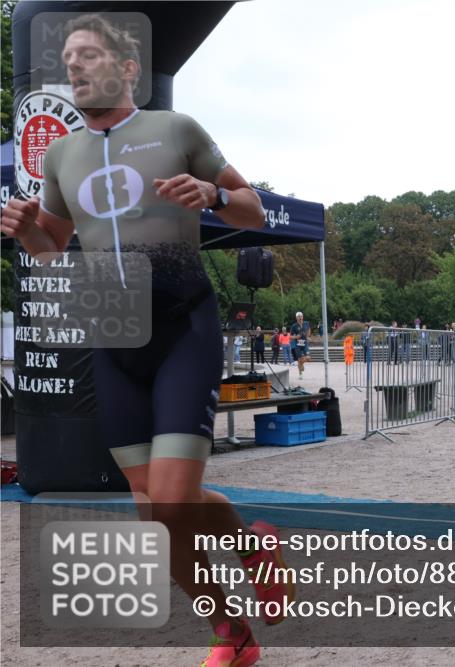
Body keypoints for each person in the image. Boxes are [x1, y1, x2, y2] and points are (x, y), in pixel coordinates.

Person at [0, 14, 291, 665]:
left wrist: (214, 191)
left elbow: (254, 207)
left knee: (170, 495)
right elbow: (50, 250)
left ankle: (246, 569)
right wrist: (24, 230)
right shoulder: (61, 154)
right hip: (113, 337)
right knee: (155, 511)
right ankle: (234, 624)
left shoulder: (174, 130)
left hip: (182, 326)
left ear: (128, 68)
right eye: (68, 58)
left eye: (88, 56)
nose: (73, 67)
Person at [290, 311, 311, 380]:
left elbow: (308, 330)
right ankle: (300, 374)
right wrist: (296, 337)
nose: (300, 318)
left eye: (301, 316)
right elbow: (290, 336)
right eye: (298, 316)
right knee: (299, 359)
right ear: (296, 318)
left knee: (308, 358)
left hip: (305, 343)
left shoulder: (306, 323)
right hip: (297, 344)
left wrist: (308, 336)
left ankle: (302, 364)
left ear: (303, 317)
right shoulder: (294, 326)